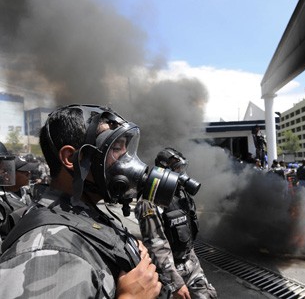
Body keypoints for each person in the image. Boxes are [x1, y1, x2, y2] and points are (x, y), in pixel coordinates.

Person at [0, 104, 162, 298]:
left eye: (126, 150)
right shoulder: (49, 252)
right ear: (71, 158)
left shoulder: (81, 212)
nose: (125, 161)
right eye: (116, 149)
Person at [135, 147, 218, 299]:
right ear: (164, 170)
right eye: (176, 168)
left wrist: (193, 262)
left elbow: (188, 236)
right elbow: (156, 245)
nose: (181, 172)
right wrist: (175, 283)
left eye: (182, 168)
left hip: (189, 262)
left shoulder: (181, 194)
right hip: (168, 270)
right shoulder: (150, 201)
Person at [0, 155, 37, 241]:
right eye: (24, 172)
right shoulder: (2, 200)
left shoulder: (29, 192)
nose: (29, 174)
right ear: (8, 175)